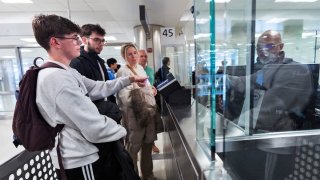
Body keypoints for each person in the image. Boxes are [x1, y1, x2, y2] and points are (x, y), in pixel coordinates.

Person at [32, 14, 147, 179]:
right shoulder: (56, 78)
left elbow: (96, 87)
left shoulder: (67, 71)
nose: (80, 42)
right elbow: (94, 127)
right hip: (78, 158)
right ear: (55, 42)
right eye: (74, 38)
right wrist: (123, 131)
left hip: (86, 151)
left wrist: (129, 79)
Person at [227, 30, 314, 180]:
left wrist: (233, 128)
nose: (263, 52)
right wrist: (224, 79)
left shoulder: (294, 70)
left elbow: (270, 109)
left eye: (269, 46)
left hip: (276, 143)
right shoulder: (268, 69)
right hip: (261, 136)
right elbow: (246, 82)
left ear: (281, 46)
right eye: (260, 48)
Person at [117, 43, 157, 180]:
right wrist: (144, 91)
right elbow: (125, 98)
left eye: (135, 53)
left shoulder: (140, 68)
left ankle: (148, 174)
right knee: (133, 147)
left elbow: (146, 86)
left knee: (147, 144)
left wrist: (151, 89)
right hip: (133, 115)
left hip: (147, 112)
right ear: (124, 56)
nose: (133, 56)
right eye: (129, 54)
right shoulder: (123, 72)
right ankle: (132, 176)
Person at [70, 24, 117, 103]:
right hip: (92, 112)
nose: (101, 43)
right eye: (96, 39)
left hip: (107, 111)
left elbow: (107, 87)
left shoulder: (100, 62)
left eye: (102, 40)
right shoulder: (76, 62)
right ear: (84, 40)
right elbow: (81, 96)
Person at [138, 49, 160, 154]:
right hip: (140, 101)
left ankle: (152, 144)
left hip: (151, 100)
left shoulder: (150, 70)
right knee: (142, 125)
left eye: (145, 56)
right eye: (141, 56)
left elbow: (151, 84)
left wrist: (154, 89)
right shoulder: (135, 70)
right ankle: (141, 145)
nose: (144, 58)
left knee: (152, 124)